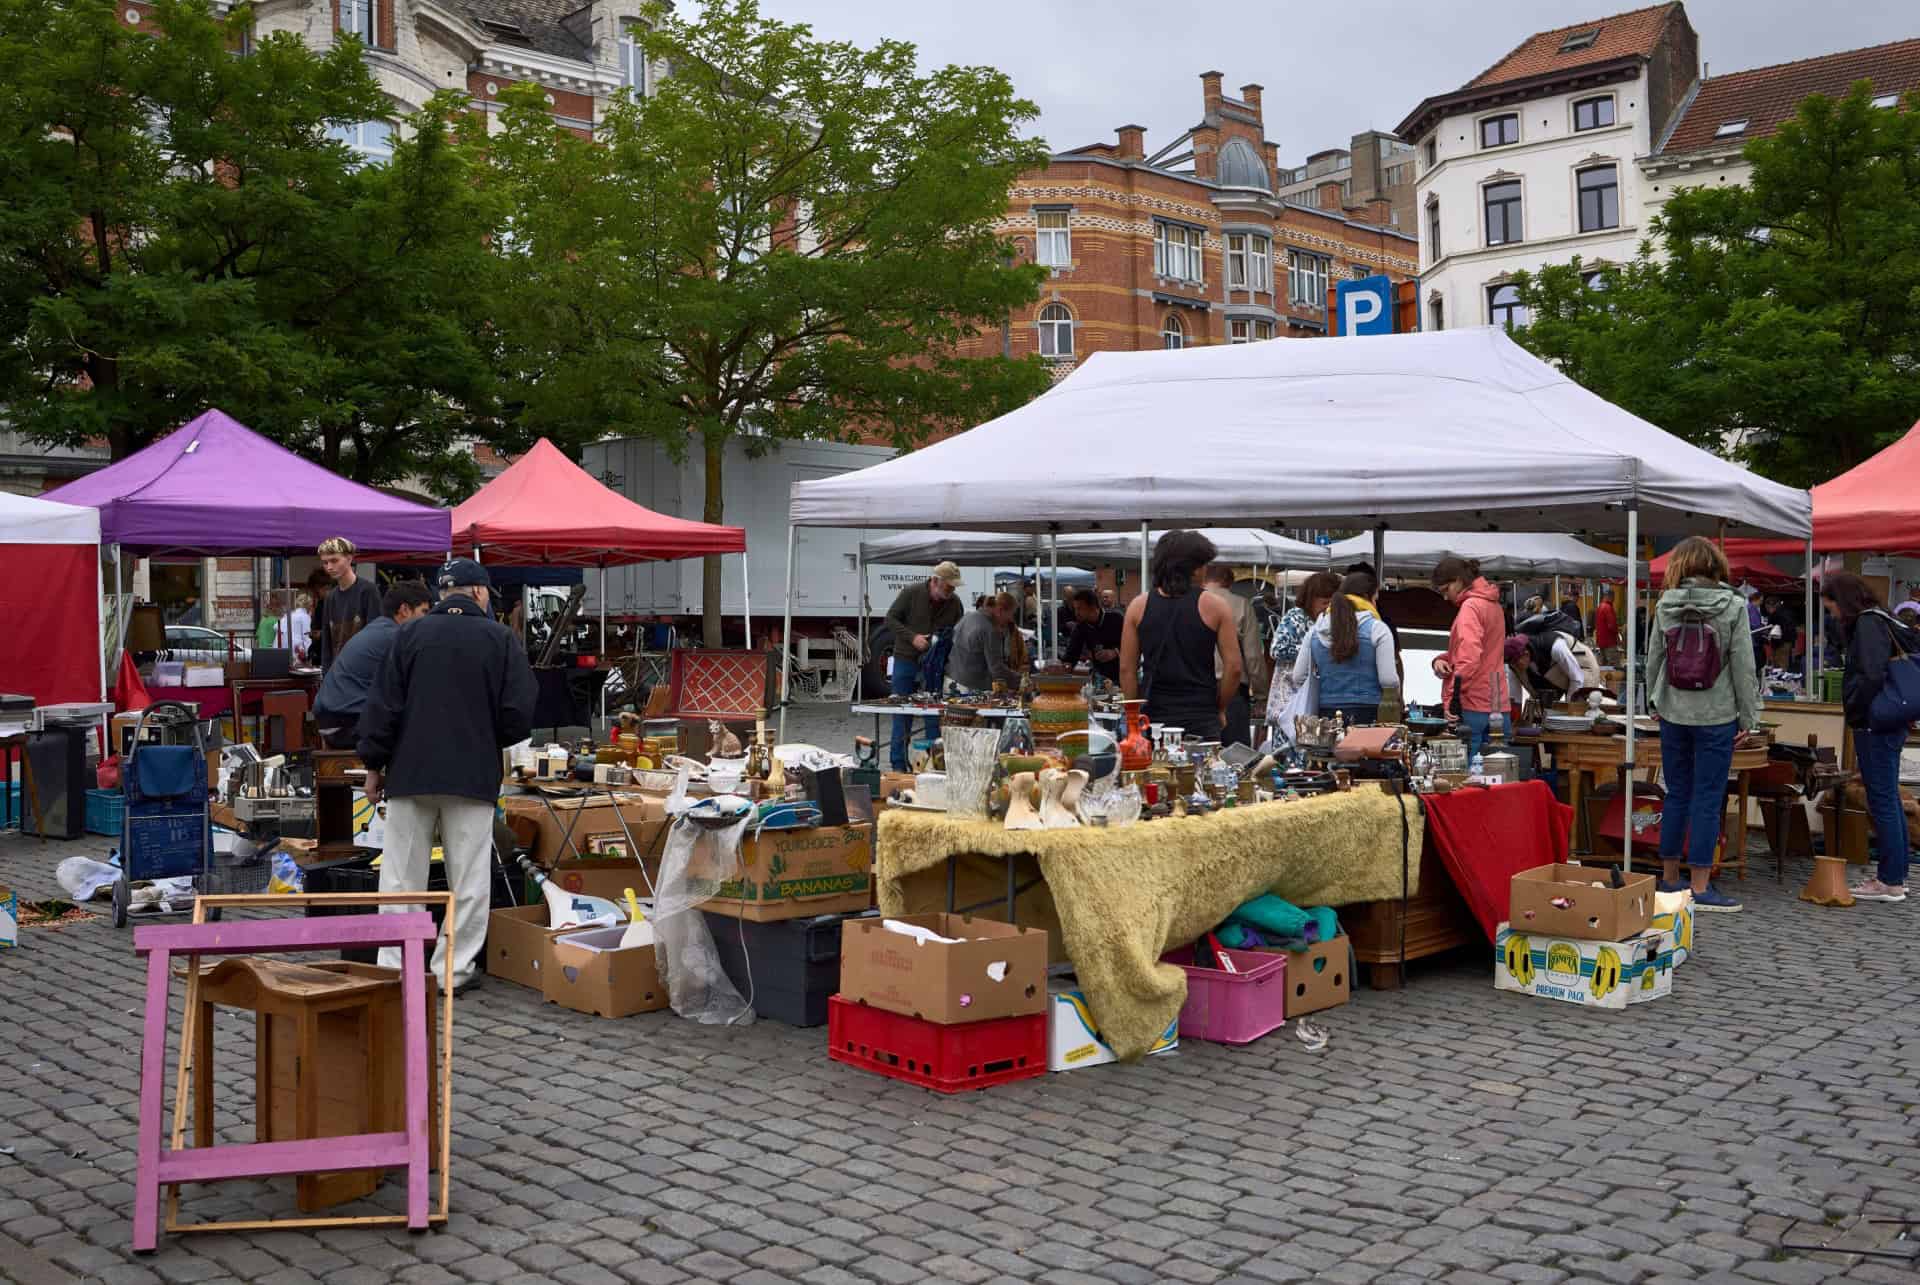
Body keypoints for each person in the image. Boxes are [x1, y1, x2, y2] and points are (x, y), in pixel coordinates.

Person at [359, 559, 536, 992]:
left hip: (410, 771)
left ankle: (394, 968)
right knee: (469, 878)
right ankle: (451, 971)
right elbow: (518, 715)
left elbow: (382, 707)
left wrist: (372, 765)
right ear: (480, 593)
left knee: (401, 876)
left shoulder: (408, 635)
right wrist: (484, 733)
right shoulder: (500, 639)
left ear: (441, 593)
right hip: (470, 773)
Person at [1644, 537, 1762, 913]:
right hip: (1718, 713)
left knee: (1676, 792)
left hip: (1673, 711)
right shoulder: (1733, 605)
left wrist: (1653, 700)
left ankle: (1669, 878)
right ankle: (1700, 886)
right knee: (1708, 797)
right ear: (1715, 566)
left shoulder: (1666, 603)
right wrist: (1750, 716)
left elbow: (1654, 658)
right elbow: (1744, 665)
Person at [1824, 571, 1916, 902]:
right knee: (1887, 797)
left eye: (1831, 606)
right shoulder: (1882, 619)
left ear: (1842, 600)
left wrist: (1857, 710)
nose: (1831, 614)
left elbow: (1870, 674)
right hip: (1889, 720)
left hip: (1875, 723)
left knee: (1882, 799)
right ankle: (1896, 875)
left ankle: (1889, 880)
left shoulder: (1866, 624)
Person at [1119, 530, 1241, 742]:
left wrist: (1133, 717)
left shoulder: (1138, 606)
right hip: (1201, 715)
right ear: (1192, 568)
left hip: (1154, 717)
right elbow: (1234, 668)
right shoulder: (1216, 606)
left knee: (1153, 772)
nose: (1205, 571)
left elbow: (1126, 669)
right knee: (1203, 773)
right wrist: (1219, 707)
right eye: (1203, 565)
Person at [313, 582, 434, 746]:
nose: (427, 619)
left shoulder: (378, 629)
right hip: (349, 721)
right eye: (424, 612)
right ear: (405, 610)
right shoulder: (397, 637)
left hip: (332, 718)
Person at [884, 561, 964, 770]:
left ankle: (933, 765)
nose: (952, 590)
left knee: (933, 715)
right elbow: (890, 619)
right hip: (906, 659)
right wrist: (912, 638)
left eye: (953, 587)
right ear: (935, 581)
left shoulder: (954, 603)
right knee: (902, 713)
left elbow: (957, 633)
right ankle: (898, 765)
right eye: (949, 586)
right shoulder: (911, 593)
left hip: (934, 666)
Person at [1292, 572, 1399, 727]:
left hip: (1326, 715)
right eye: (1375, 599)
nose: (1376, 605)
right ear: (1366, 597)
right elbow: (1388, 680)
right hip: (1368, 714)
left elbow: (1298, 677)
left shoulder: (1315, 631)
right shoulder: (1378, 629)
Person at [1430, 557, 1509, 760]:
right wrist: (1441, 659)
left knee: (1467, 776)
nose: (1446, 597)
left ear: (1458, 581)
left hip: (1472, 704)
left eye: (1445, 590)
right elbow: (1481, 652)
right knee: (1500, 773)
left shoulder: (1470, 608)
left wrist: (1451, 699)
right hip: (1498, 702)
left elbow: (1469, 658)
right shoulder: (1493, 605)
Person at [1264, 571, 1341, 737]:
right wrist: (1312, 651)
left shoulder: (1332, 623)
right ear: (1310, 600)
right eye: (1325, 603)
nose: (1328, 609)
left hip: (1314, 705)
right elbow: (1277, 649)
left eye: (1332, 604)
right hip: (1289, 702)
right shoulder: (1295, 617)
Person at [1201, 564, 1256, 745]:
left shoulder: (1191, 602)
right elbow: (1253, 654)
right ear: (1229, 582)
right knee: (1236, 756)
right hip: (1233, 688)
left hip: (1197, 687)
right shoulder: (1241, 604)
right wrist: (1262, 694)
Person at [314, 537, 384, 671]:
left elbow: (377, 639)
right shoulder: (330, 598)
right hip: (337, 674)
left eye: (334, 560)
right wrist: (327, 676)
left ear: (349, 558)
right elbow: (327, 644)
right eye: (325, 562)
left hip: (363, 674)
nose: (329, 567)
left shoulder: (368, 591)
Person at [1516, 609, 1602, 708]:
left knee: (1577, 713)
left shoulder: (1555, 644)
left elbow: (1577, 678)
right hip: (1559, 675)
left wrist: (1570, 708)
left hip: (1584, 670)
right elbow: (1530, 686)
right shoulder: (1524, 651)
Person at [947, 592, 1017, 693]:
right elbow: (997, 669)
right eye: (1011, 614)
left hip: (951, 679)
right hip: (969, 687)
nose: (1010, 619)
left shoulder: (968, 616)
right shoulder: (989, 630)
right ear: (1000, 610)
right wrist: (1023, 680)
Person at [1062, 587, 1123, 684]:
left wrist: (1114, 652)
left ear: (1093, 608)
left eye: (1079, 609)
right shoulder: (1080, 627)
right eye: (1075, 609)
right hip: (1100, 677)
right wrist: (1064, 668)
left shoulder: (1116, 619)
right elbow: (1071, 655)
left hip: (1123, 674)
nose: (1076, 613)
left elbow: (1133, 644)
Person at [277, 592, 314, 665]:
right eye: (311, 605)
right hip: (298, 651)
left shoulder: (289, 614)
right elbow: (306, 636)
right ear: (308, 606)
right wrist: (308, 653)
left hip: (285, 649)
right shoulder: (305, 616)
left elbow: (276, 626)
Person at [1594, 593, 1621, 665]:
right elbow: (1612, 625)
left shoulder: (1600, 607)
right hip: (1609, 641)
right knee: (1614, 664)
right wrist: (1617, 635)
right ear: (1609, 596)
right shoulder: (1608, 608)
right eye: (1613, 597)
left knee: (1603, 664)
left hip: (1601, 641)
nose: (1614, 600)